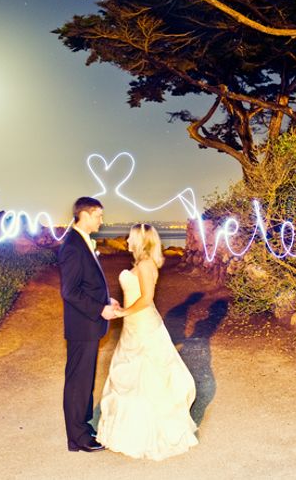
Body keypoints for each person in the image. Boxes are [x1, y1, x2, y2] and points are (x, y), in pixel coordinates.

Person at [95, 223, 198, 460]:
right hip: (134, 324)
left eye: (131, 237)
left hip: (143, 324)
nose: (127, 241)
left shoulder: (144, 264)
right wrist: (120, 306)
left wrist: (123, 312)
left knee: (146, 376)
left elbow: (146, 298)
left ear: (141, 241)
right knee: (131, 374)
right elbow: (134, 296)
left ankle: (145, 435)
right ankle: (128, 431)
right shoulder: (140, 264)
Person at [58, 196, 120, 452]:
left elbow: (88, 283)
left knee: (85, 380)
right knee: (78, 382)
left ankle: (82, 427)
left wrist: (106, 299)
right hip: (82, 325)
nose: (101, 221)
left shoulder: (81, 241)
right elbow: (70, 291)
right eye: (98, 216)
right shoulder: (72, 246)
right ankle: (78, 438)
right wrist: (100, 309)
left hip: (88, 325)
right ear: (84, 215)